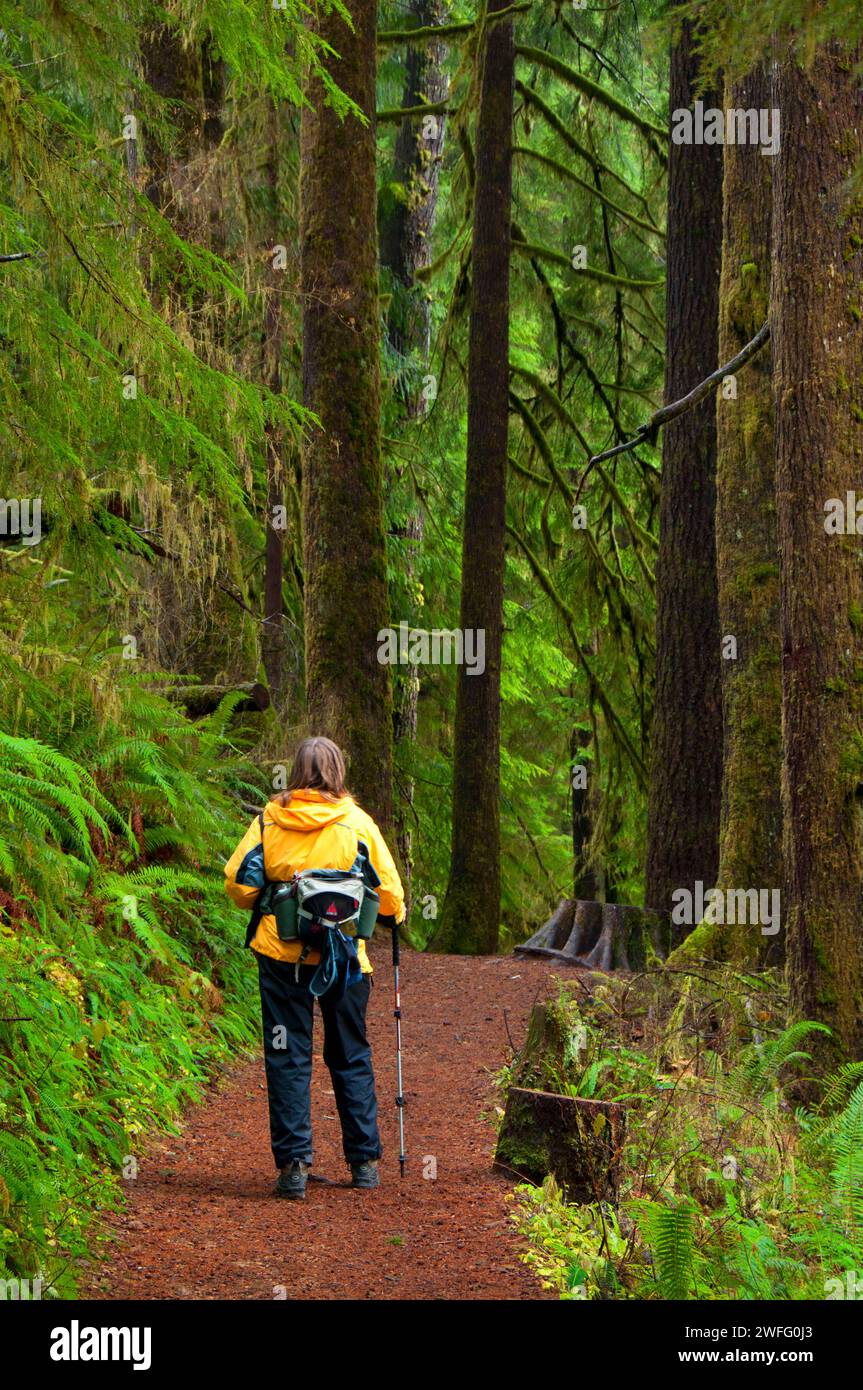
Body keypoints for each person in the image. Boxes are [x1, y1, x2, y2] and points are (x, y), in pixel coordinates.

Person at [224, 736, 405, 1199]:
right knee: (350, 1055)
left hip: (283, 957)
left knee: (287, 1056)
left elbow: (239, 885)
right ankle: (363, 1163)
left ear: (297, 770)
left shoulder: (270, 819)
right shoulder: (358, 822)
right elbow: (390, 899)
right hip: (344, 959)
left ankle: (293, 1169)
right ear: (338, 771)